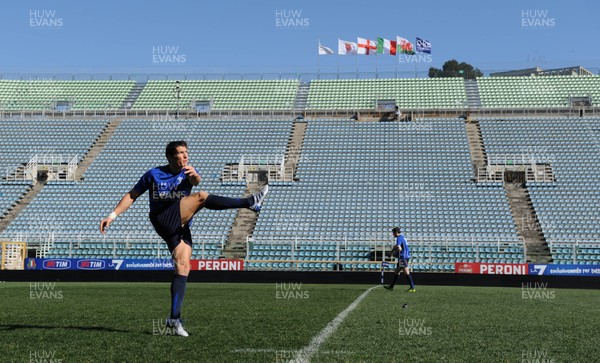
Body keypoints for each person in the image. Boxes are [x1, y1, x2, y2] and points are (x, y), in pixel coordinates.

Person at [99, 140, 268, 337]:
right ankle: (249, 202)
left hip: (181, 225)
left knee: (183, 265)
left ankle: (174, 318)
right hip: (162, 218)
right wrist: (111, 216)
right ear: (170, 157)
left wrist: (195, 176)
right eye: (180, 153)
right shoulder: (153, 174)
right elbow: (132, 194)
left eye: (186, 152)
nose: (185, 156)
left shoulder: (187, 172)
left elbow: (196, 181)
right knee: (202, 197)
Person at [384, 227, 415, 292]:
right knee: (397, 271)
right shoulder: (402, 237)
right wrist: (391, 252)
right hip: (405, 256)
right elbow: (397, 246)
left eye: (393, 233)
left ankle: (412, 288)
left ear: (396, 232)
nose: (393, 234)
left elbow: (398, 246)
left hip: (403, 257)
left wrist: (397, 251)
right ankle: (391, 287)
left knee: (406, 272)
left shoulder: (398, 238)